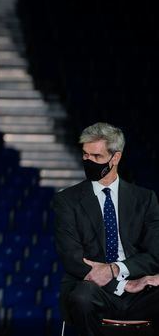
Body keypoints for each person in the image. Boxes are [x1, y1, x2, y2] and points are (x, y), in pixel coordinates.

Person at [52, 122, 159, 335]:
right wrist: (120, 284)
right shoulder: (66, 201)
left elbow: (155, 253)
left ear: (115, 158)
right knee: (81, 298)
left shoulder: (145, 199)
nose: (88, 161)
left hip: (139, 284)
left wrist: (117, 269)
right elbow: (73, 259)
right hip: (93, 288)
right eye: (85, 155)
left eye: (97, 157)